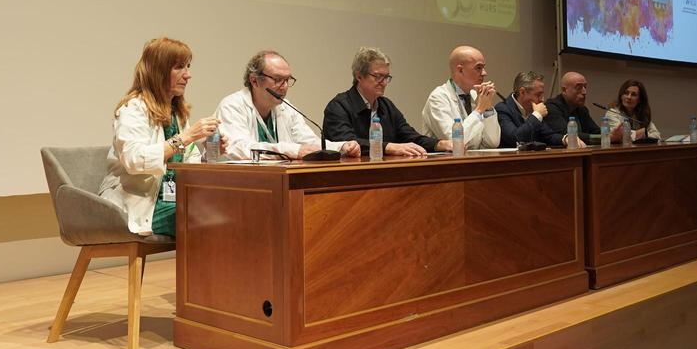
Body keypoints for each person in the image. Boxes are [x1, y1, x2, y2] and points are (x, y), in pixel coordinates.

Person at [98, 36, 221, 237]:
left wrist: (209, 152)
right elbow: (134, 160)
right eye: (179, 67)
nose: (188, 75)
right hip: (140, 201)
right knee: (209, 219)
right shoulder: (132, 109)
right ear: (158, 71)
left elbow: (189, 165)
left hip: (173, 198)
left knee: (229, 207)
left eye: (188, 67)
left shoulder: (177, 113)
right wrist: (185, 137)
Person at [216, 50, 360, 160]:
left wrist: (341, 147)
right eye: (278, 79)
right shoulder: (232, 106)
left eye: (287, 80)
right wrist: (293, 150)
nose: (284, 86)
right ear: (254, 81)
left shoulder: (286, 108)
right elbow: (239, 148)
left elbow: (309, 142)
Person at [323, 47, 450, 157]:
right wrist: (389, 147)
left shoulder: (386, 106)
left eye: (386, 77)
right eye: (378, 77)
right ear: (359, 76)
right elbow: (347, 144)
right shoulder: (338, 106)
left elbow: (409, 136)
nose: (384, 83)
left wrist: (439, 144)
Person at [421, 45, 500, 149]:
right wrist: (479, 110)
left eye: (483, 67)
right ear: (460, 70)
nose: (484, 73)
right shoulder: (438, 98)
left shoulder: (475, 95)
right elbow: (455, 141)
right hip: (447, 159)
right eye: (478, 68)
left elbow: (493, 143)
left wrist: (488, 109)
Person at [496, 70, 562, 147]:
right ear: (522, 92)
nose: (542, 99)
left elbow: (549, 136)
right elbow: (515, 139)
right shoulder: (502, 110)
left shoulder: (532, 109)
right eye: (538, 95)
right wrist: (537, 115)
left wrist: (565, 139)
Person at [544, 71, 602, 147]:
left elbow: (595, 131)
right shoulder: (551, 107)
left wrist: (610, 134)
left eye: (585, 87)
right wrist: (603, 137)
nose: (584, 92)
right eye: (579, 88)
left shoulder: (582, 109)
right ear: (564, 90)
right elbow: (569, 135)